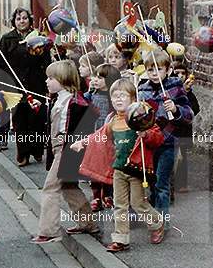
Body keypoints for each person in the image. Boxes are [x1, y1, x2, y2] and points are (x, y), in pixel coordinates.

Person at [74, 78, 166, 252]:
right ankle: (121, 239)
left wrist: (146, 134)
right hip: (119, 169)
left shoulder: (141, 118)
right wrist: (83, 143)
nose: (118, 99)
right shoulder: (113, 122)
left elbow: (158, 138)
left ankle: (156, 224)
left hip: (138, 169)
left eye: (122, 96)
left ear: (132, 99)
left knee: (138, 203)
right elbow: (99, 136)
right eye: (114, 96)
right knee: (119, 204)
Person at [31, 60, 97, 243]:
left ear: (64, 79)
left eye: (51, 78)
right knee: (69, 187)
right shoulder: (58, 99)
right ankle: (88, 223)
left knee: (50, 188)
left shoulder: (77, 103)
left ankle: (49, 230)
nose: (47, 81)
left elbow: (82, 128)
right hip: (58, 148)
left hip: (68, 150)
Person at [137, 49, 194, 229]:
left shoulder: (175, 86)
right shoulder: (142, 89)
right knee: (152, 183)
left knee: (162, 183)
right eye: (150, 70)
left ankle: (162, 222)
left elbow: (189, 114)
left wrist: (176, 109)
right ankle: (155, 216)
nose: (154, 74)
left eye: (159, 70)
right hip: (148, 143)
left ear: (168, 70)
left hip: (168, 142)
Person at [0, 7, 51, 166]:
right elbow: (1, 64)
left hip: (36, 83)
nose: (22, 21)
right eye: (18, 19)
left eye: (25, 18)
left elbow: (46, 61)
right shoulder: (7, 39)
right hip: (15, 85)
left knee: (37, 119)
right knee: (20, 121)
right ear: (14, 21)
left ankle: (37, 150)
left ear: (30, 20)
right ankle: (23, 154)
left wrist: (50, 82)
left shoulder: (38, 38)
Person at [84, 63, 115, 211]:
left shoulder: (112, 97)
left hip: (108, 135)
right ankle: (96, 196)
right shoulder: (91, 94)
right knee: (94, 165)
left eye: (100, 78)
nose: (95, 80)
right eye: (95, 76)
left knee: (108, 166)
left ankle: (108, 195)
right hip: (93, 133)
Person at [171, 62, 200, 194]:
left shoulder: (188, 93)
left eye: (183, 73)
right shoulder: (169, 90)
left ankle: (182, 183)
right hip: (171, 130)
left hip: (184, 131)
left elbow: (195, 109)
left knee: (183, 157)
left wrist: (186, 92)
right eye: (177, 73)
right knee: (170, 157)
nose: (180, 76)